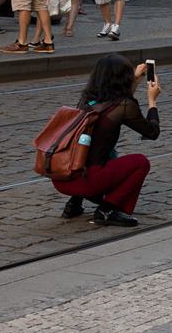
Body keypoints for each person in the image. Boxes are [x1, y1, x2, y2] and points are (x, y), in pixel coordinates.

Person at [54, 54, 161, 227]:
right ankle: (108, 209)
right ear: (123, 79)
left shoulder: (87, 100)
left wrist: (134, 80)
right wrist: (152, 100)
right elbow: (152, 132)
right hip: (88, 181)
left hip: (63, 178)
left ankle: (75, 203)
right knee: (140, 163)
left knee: (95, 147)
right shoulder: (124, 106)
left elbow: (114, 104)